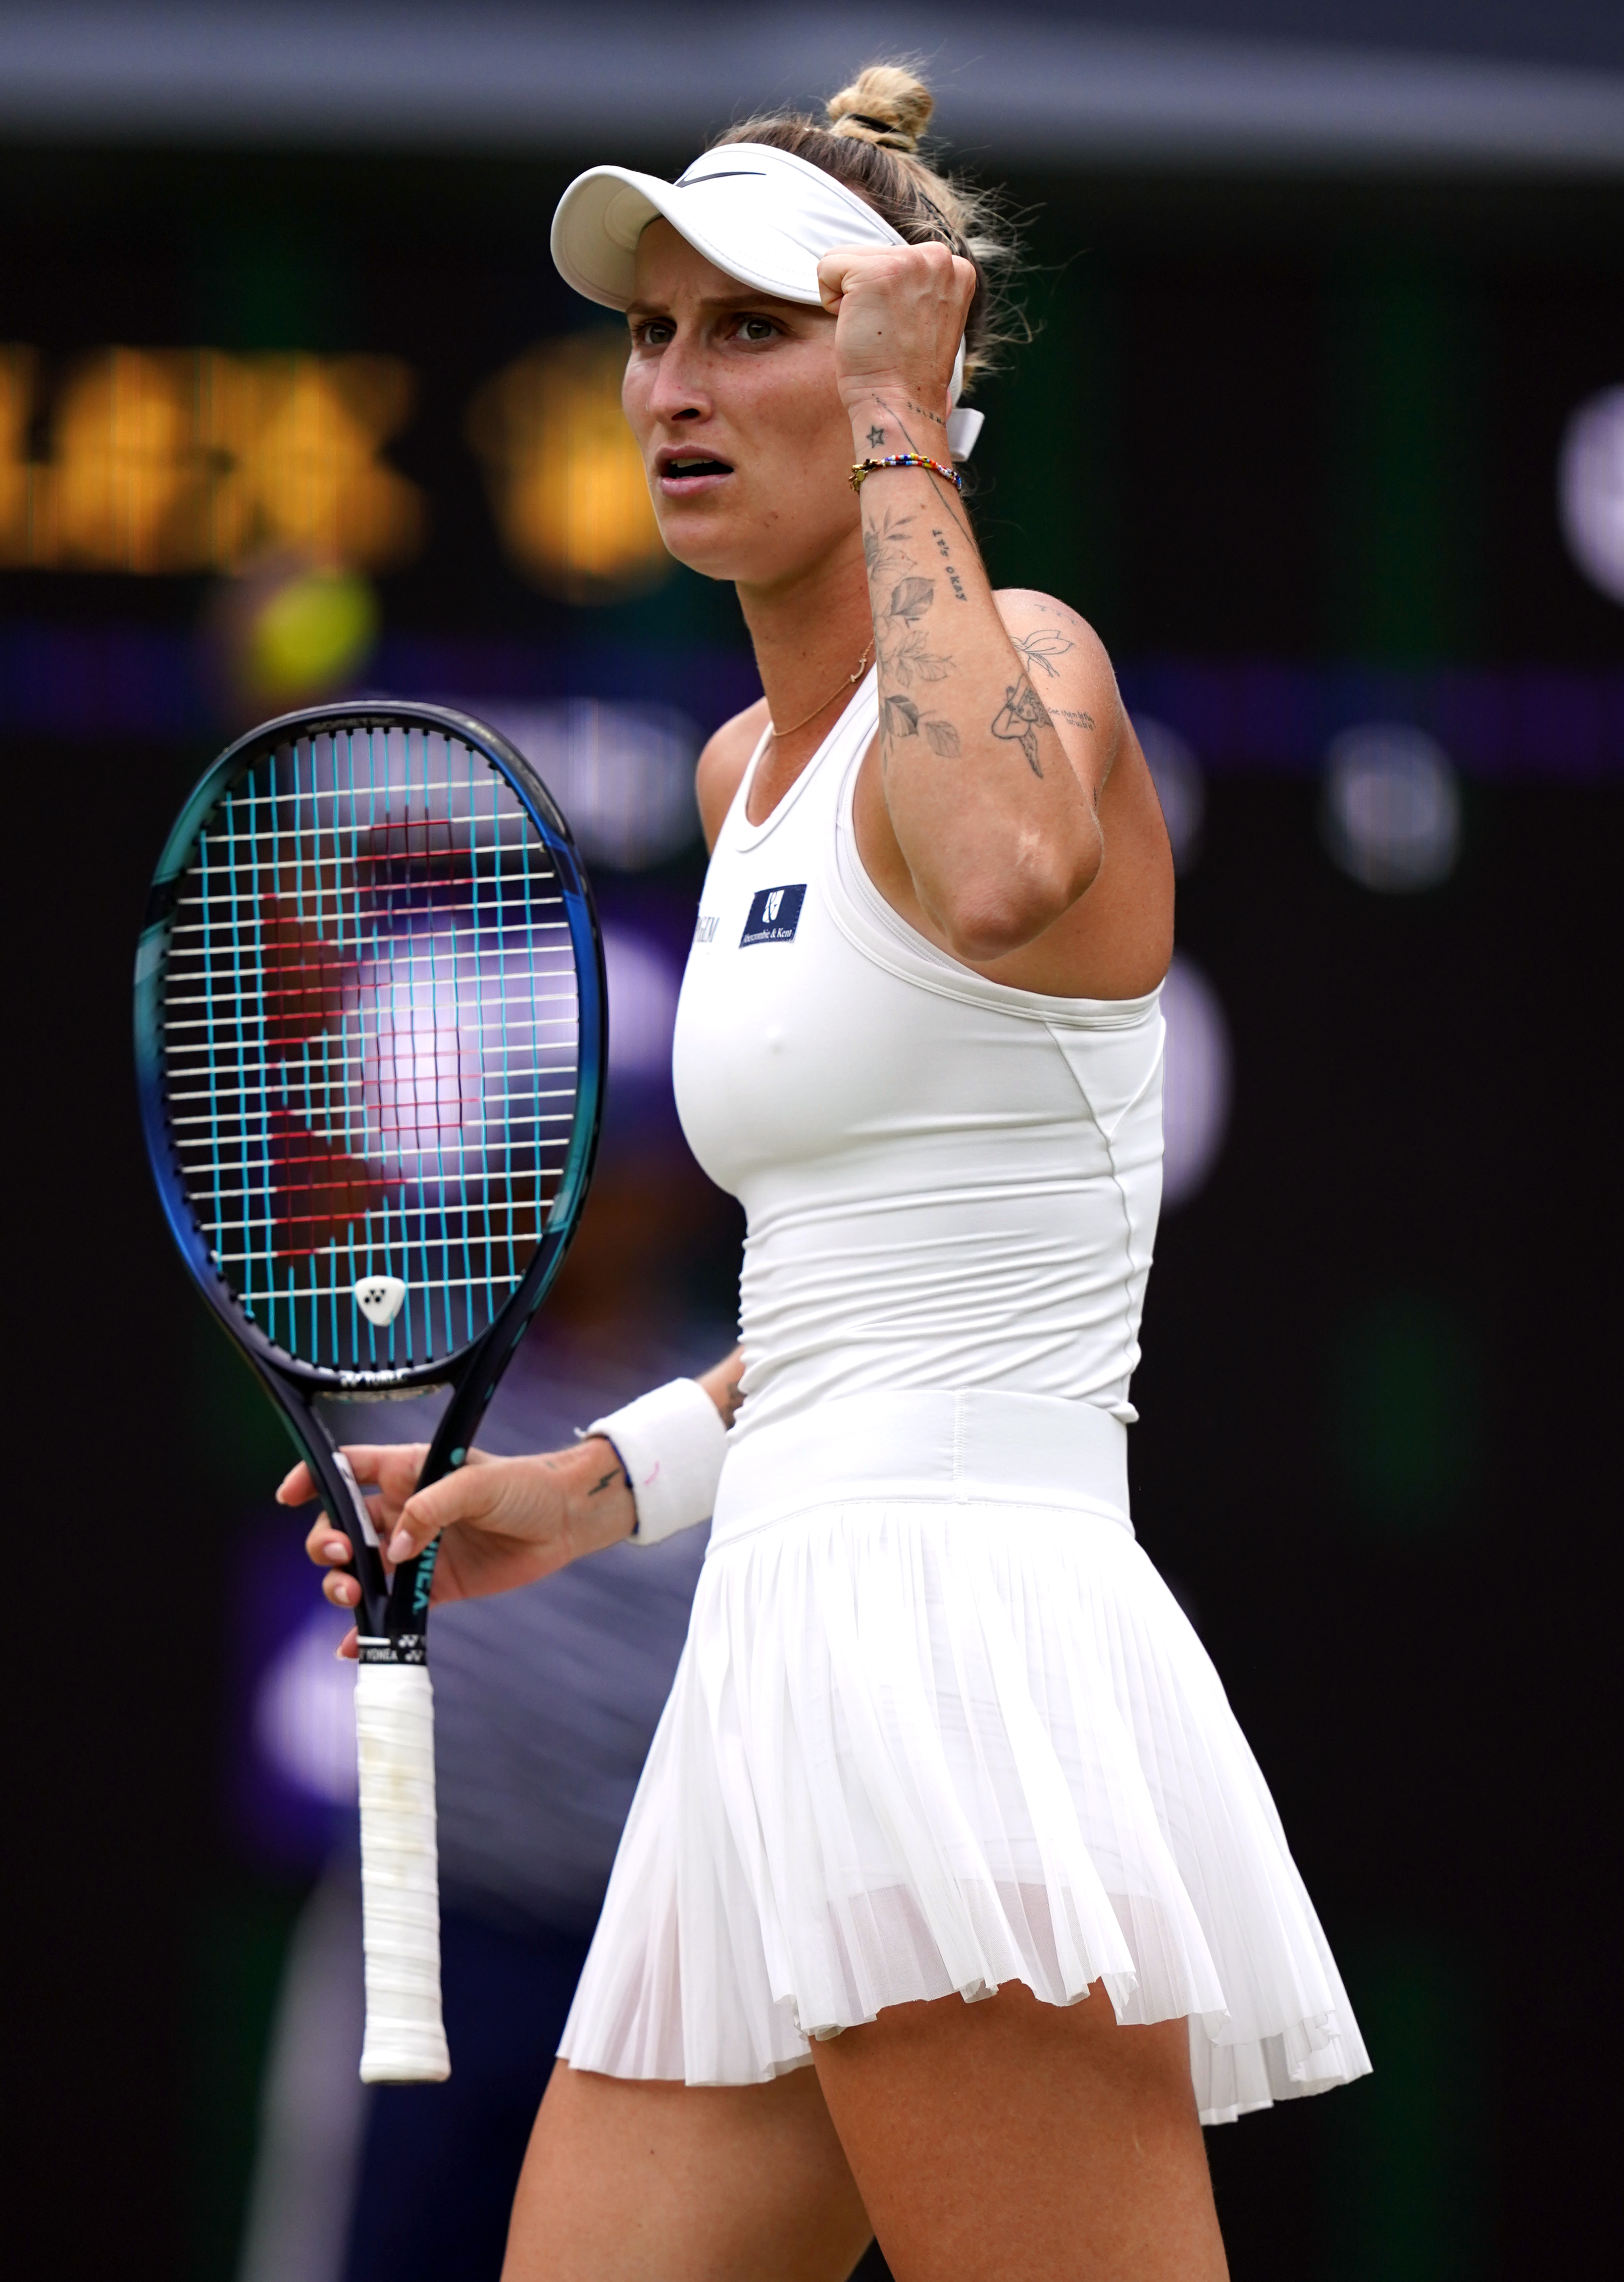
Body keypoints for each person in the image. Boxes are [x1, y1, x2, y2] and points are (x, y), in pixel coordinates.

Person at [286, 63, 1370, 2282]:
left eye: (749, 331)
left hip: (962, 1666)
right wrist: (587, 1493)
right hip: (770, 1667)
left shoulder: (1026, 666)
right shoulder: (739, 774)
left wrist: (901, 423)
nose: (672, 388)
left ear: (906, 369)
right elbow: (853, 1314)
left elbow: (1000, 873)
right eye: (650, 335)